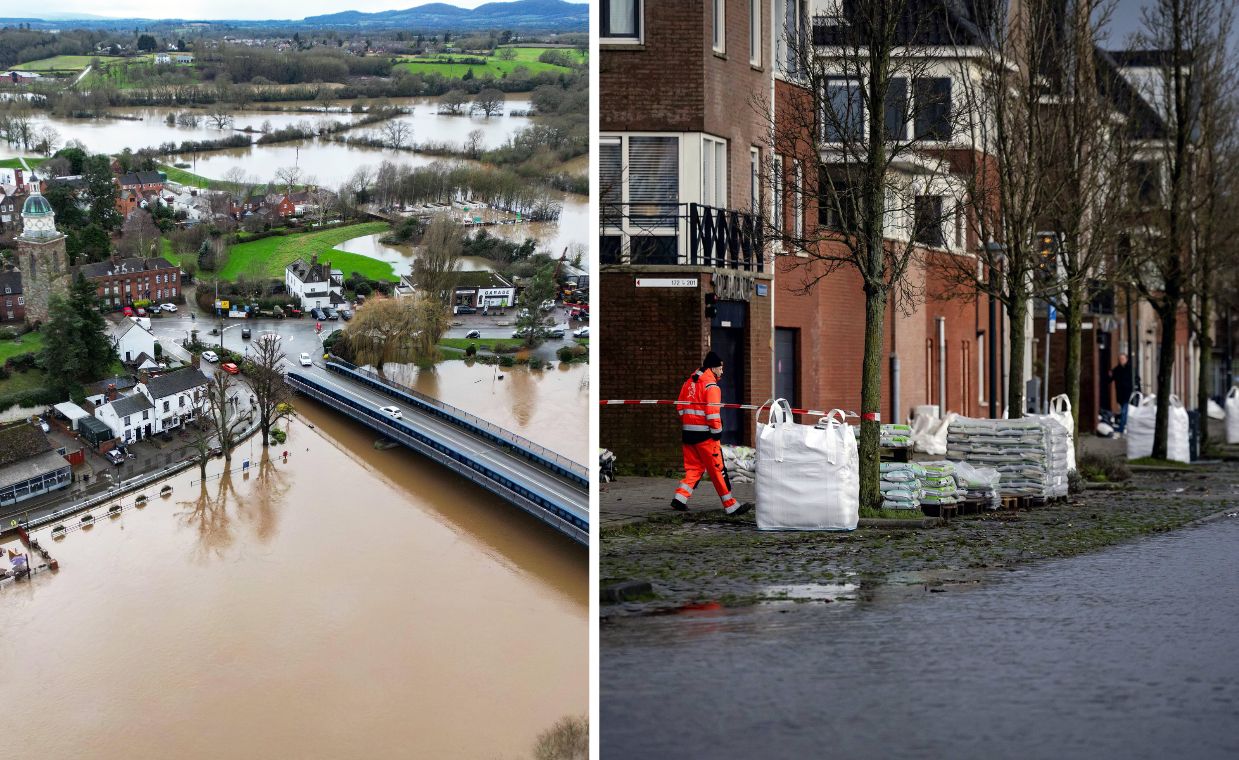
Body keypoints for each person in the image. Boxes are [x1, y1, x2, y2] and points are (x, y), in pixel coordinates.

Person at [672, 351, 752, 515]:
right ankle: (731, 506)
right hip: (706, 436)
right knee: (718, 470)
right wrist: (717, 432)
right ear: (713, 368)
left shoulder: (689, 382)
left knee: (694, 468)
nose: (722, 371)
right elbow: (712, 413)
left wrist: (690, 422)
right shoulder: (711, 386)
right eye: (721, 368)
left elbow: (680, 407)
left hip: (688, 434)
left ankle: (680, 498)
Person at [1111, 353, 1133, 434]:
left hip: (1128, 394)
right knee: (1124, 412)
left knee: (1124, 412)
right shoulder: (1116, 370)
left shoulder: (1130, 369)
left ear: (1126, 360)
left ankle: (1121, 428)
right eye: (1120, 359)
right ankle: (1125, 427)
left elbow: (1135, 380)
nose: (1121, 361)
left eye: (1123, 359)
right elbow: (1110, 379)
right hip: (1120, 395)